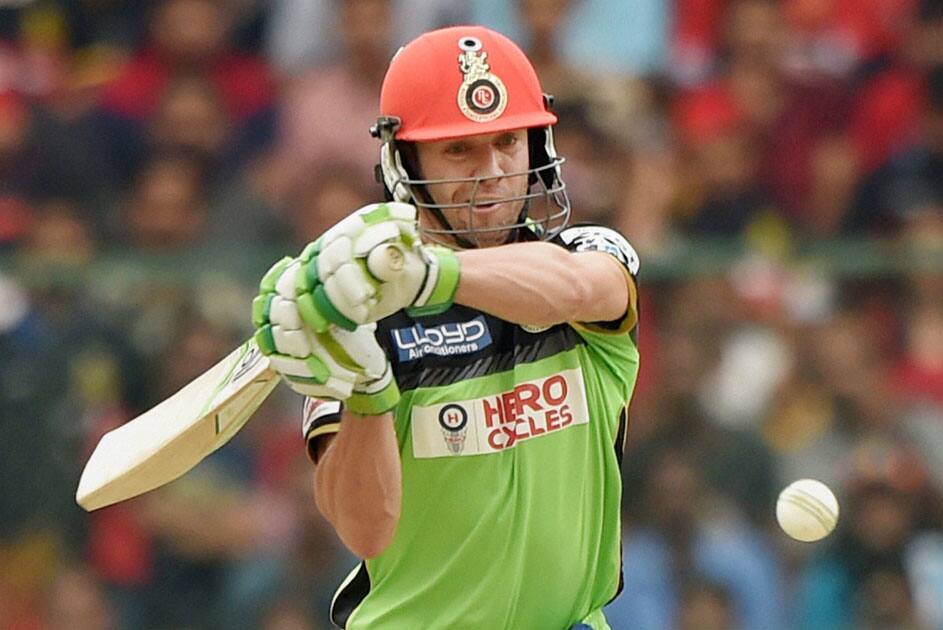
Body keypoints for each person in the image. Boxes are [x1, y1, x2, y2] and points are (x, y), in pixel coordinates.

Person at [251, 26, 640, 629]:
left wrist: (428, 273)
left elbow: (579, 287)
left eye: (508, 142)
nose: (492, 172)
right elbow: (366, 528)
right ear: (404, 160)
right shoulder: (363, 320)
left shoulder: (586, 253)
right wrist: (367, 391)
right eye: (459, 149)